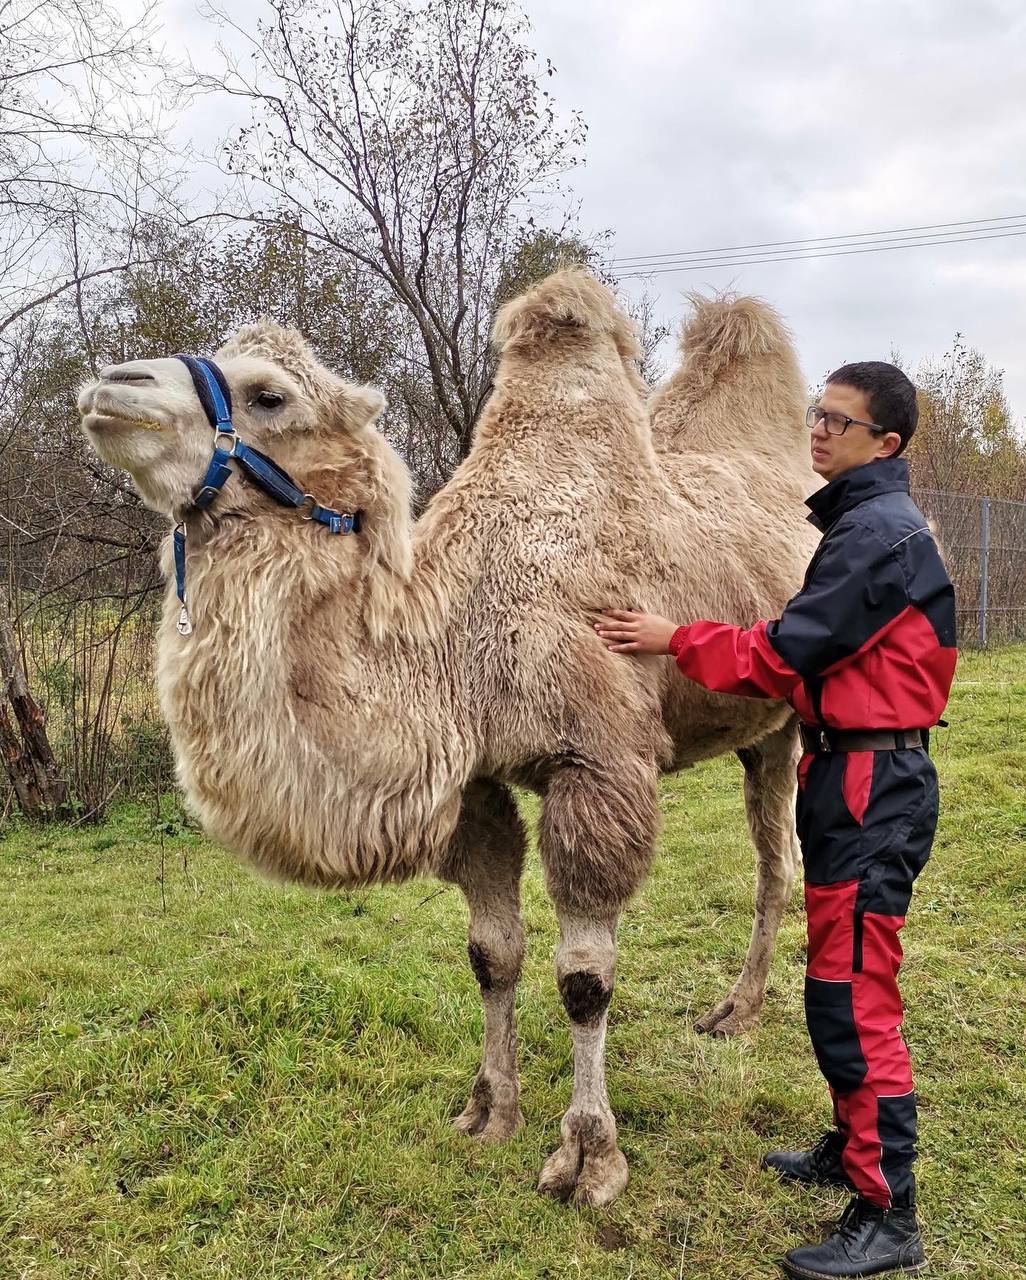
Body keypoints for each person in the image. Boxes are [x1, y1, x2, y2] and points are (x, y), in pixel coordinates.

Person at [595, 361, 956, 1280]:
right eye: (817, 414)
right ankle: (850, 1148)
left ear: (888, 444)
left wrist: (674, 638)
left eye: (840, 421)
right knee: (836, 982)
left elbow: (788, 648)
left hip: (874, 780)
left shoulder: (875, 535)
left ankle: (888, 1215)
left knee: (854, 997)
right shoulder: (860, 526)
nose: (818, 430)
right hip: (850, 771)